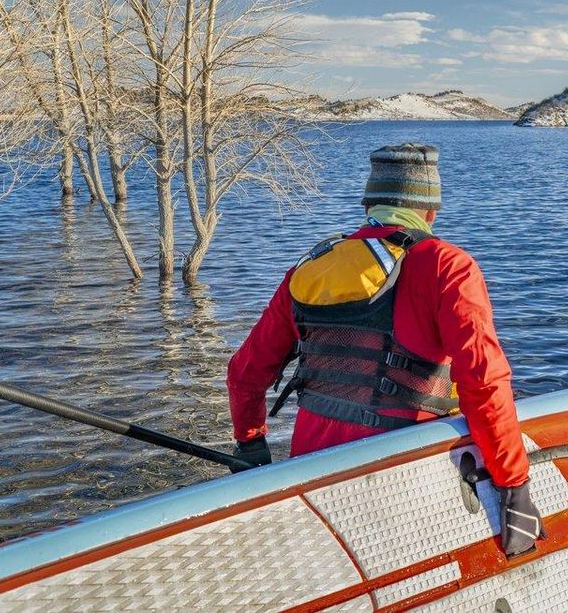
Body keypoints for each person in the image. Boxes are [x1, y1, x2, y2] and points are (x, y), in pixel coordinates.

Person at [226, 143, 543, 557]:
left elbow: (245, 373)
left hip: (312, 475)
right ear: (430, 212)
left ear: (368, 206)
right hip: (403, 481)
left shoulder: (311, 267)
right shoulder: (448, 266)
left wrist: (251, 446)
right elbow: (484, 381)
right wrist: (514, 485)